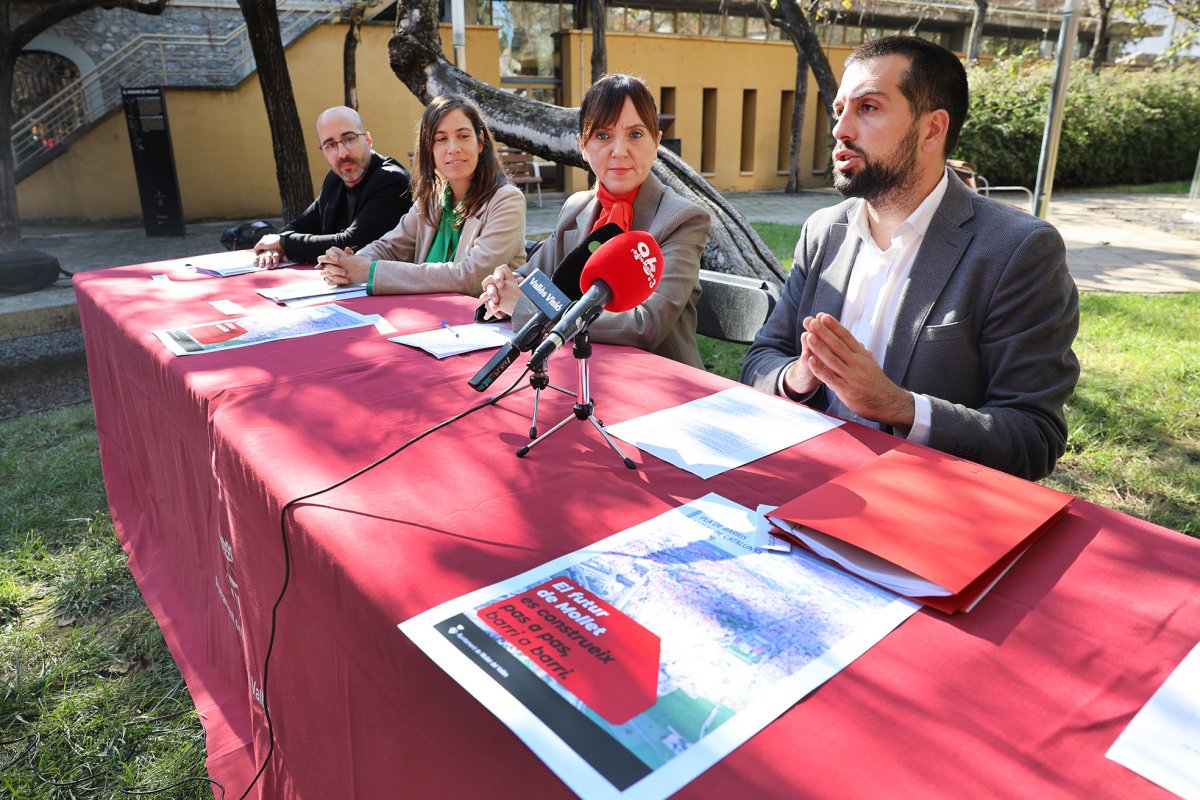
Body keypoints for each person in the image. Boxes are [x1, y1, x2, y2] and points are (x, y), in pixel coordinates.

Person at [740, 36, 1079, 481]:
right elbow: (762, 358)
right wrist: (799, 377)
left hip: (920, 503)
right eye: (840, 109)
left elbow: (1034, 438)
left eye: (869, 108)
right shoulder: (824, 230)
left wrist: (900, 406)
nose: (841, 128)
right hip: (803, 476)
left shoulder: (1018, 250)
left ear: (932, 129)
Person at [479, 73, 711, 368]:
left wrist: (524, 307)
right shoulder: (577, 208)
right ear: (583, 147)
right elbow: (531, 279)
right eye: (602, 135)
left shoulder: (682, 219)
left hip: (657, 382)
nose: (619, 151)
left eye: (636, 134)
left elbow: (645, 325)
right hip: (576, 370)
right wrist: (502, 288)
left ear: (656, 143)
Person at [319, 95, 526, 296]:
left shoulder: (507, 201)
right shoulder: (432, 199)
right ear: (429, 149)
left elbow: (472, 277)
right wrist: (348, 264)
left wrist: (370, 270)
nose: (453, 149)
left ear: (480, 142)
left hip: (479, 324)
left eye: (463, 136)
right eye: (441, 139)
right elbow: (390, 246)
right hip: (429, 321)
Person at [253, 106, 411, 268]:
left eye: (349, 139)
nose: (342, 153)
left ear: (368, 140)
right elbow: (298, 225)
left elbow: (351, 242)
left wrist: (283, 243)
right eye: (330, 145)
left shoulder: (392, 180)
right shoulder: (335, 179)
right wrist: (276, 248)